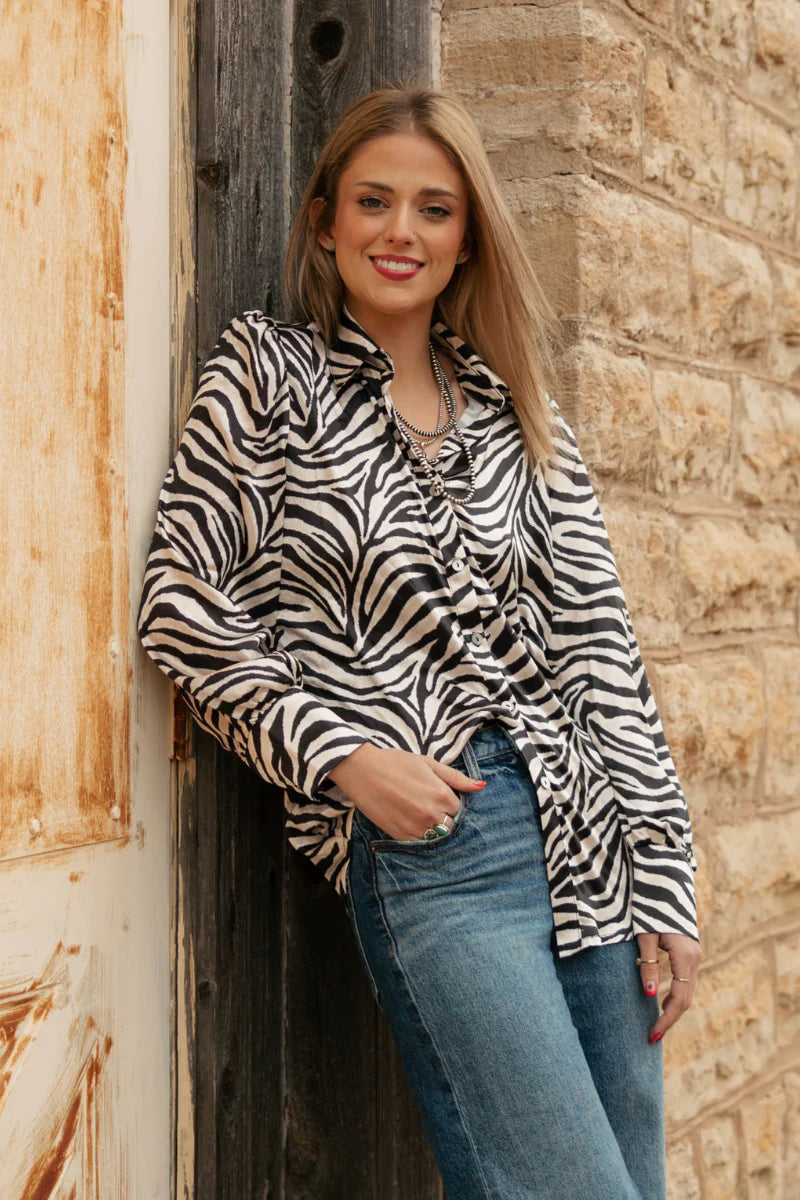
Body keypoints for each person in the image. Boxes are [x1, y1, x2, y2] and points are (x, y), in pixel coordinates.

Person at [138, 83, 702, 1199]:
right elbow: (181, 597)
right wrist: (343, 758)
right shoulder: (270, 375)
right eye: (373, 201)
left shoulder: (519, 414)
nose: (401, 231)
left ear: (467, 237)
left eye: (434, 209)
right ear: (324, 222)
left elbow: (601, 655)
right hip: (441, 850)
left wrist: (664, 877)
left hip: (588, 836)